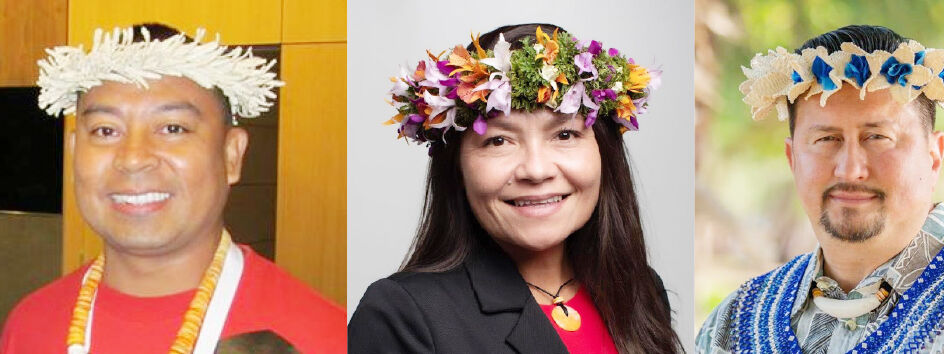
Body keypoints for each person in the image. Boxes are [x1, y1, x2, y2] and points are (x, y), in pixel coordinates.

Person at [0, 23, 346, 353]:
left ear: (231, 155)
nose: (133, 158)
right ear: (74, 152)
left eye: (173, 128)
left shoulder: (323, 337)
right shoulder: (30, 326)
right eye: (106, 131)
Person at [696, 25, 944, 353]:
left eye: (878, 137)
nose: (850, 168)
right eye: (826, 139)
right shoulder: (733, 324)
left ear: (934, 156)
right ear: (792, 158)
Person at [348, 24, 681, 353]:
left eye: (564, 135)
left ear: (604, 152)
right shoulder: (403, 316)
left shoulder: (640, 290)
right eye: (498, 140)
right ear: (457, 167)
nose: (536, 170)